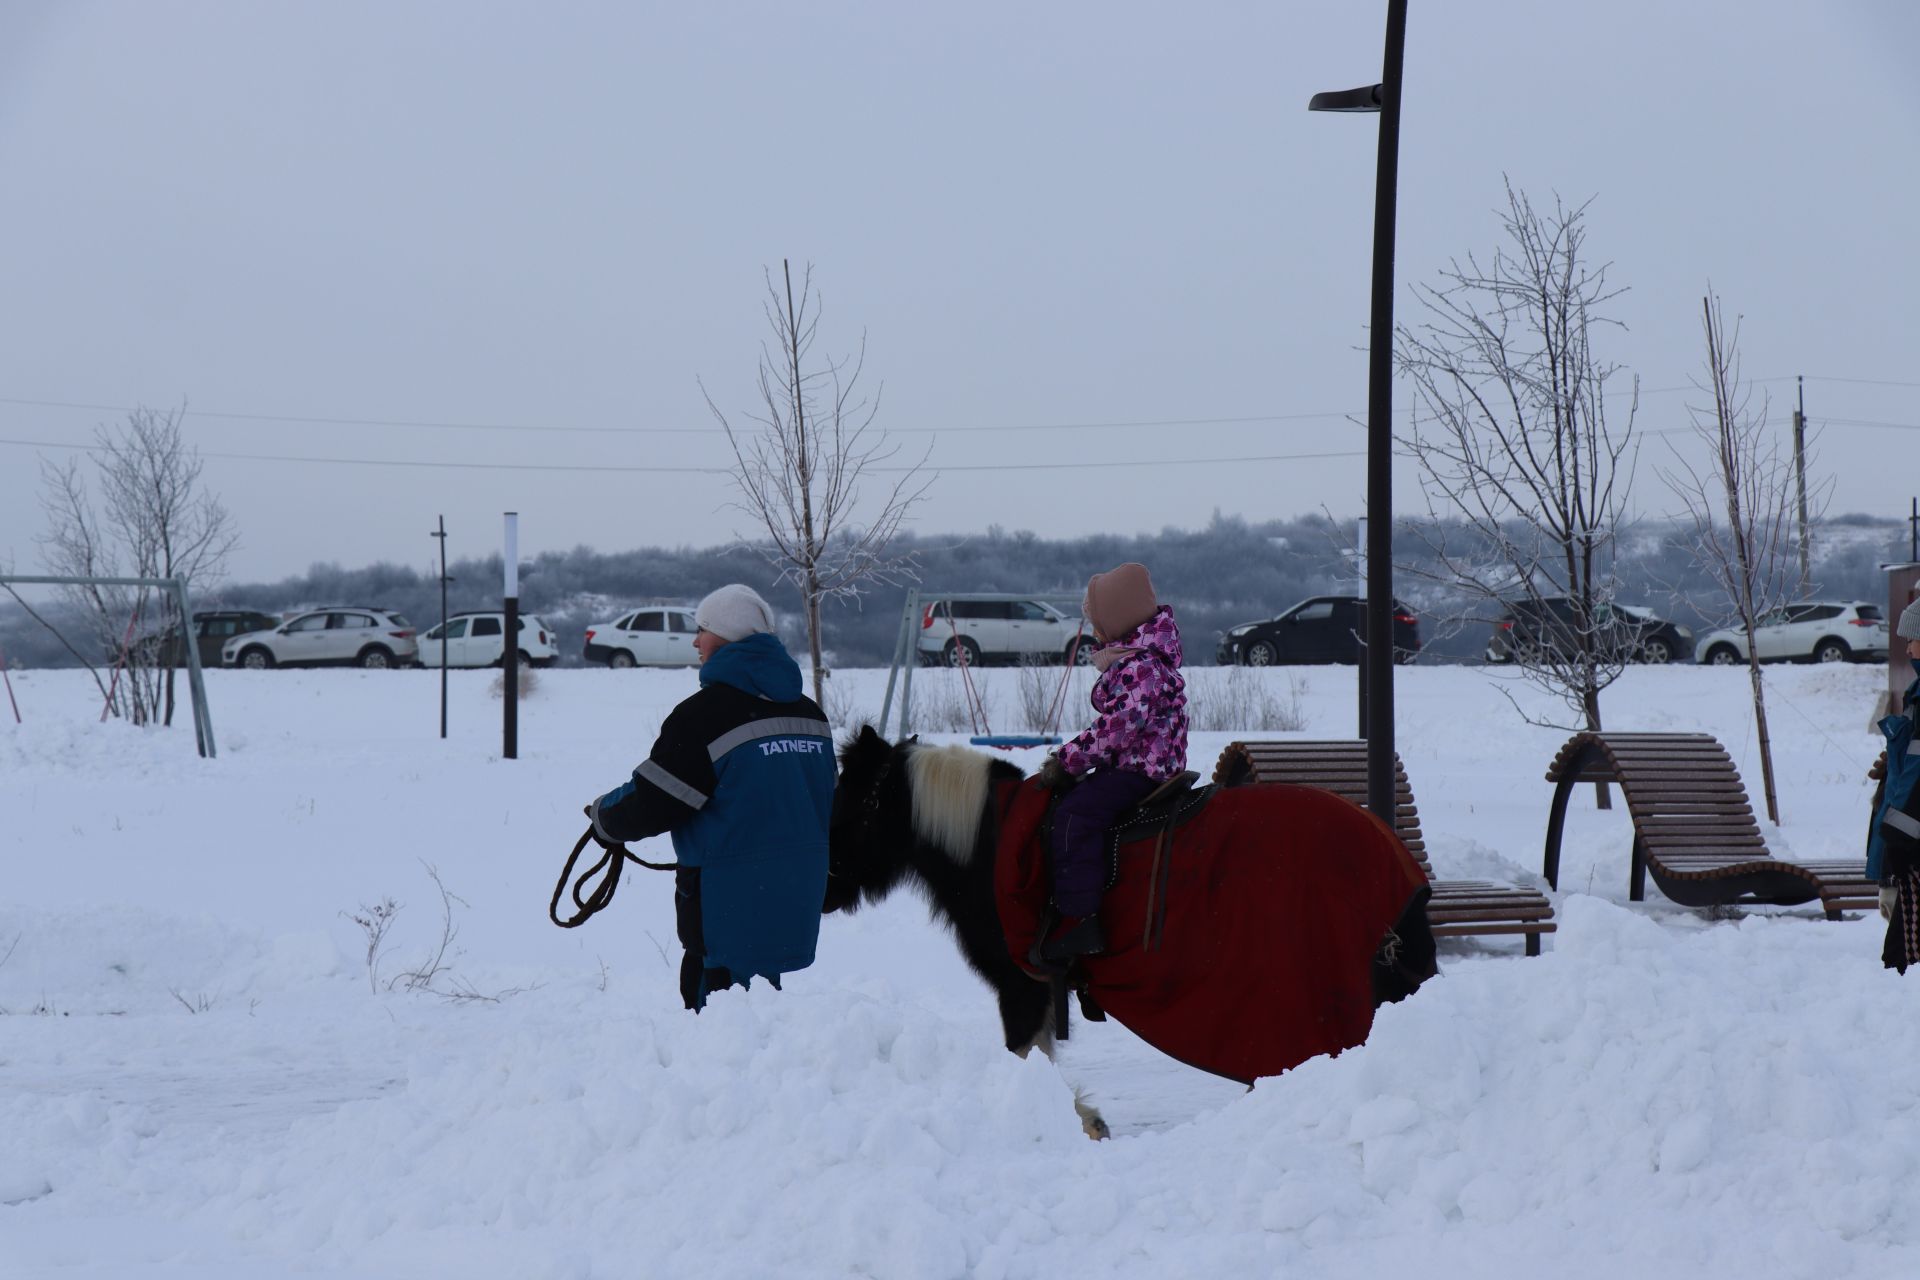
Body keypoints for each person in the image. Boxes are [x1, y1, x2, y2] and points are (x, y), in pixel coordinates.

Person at [585, 584, 834, 1010]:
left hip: (723, 904)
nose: (696, 641)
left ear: (725, 637)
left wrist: (606, 819)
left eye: (702, 630)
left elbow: (656, 800)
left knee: (716, 1023)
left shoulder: (702, 716)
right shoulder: (811, 716)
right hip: (793, 895)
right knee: (764, 1017)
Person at [1035, 563, 1188, 960]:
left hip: (1141, 771)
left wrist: (1067, 760)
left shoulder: (1142, 667)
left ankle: (1081, 921)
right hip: (1138, 764)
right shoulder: (1142, 659)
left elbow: (1116, 731)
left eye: (1098, 624)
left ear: (1120, 621)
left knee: (1074, 817)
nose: (1095, 632)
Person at [1873, 597, 1920, 972]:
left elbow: (1914, 784)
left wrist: (1896, 850)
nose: (1907, 647)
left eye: (1913, 638)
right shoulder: (1915, 697)